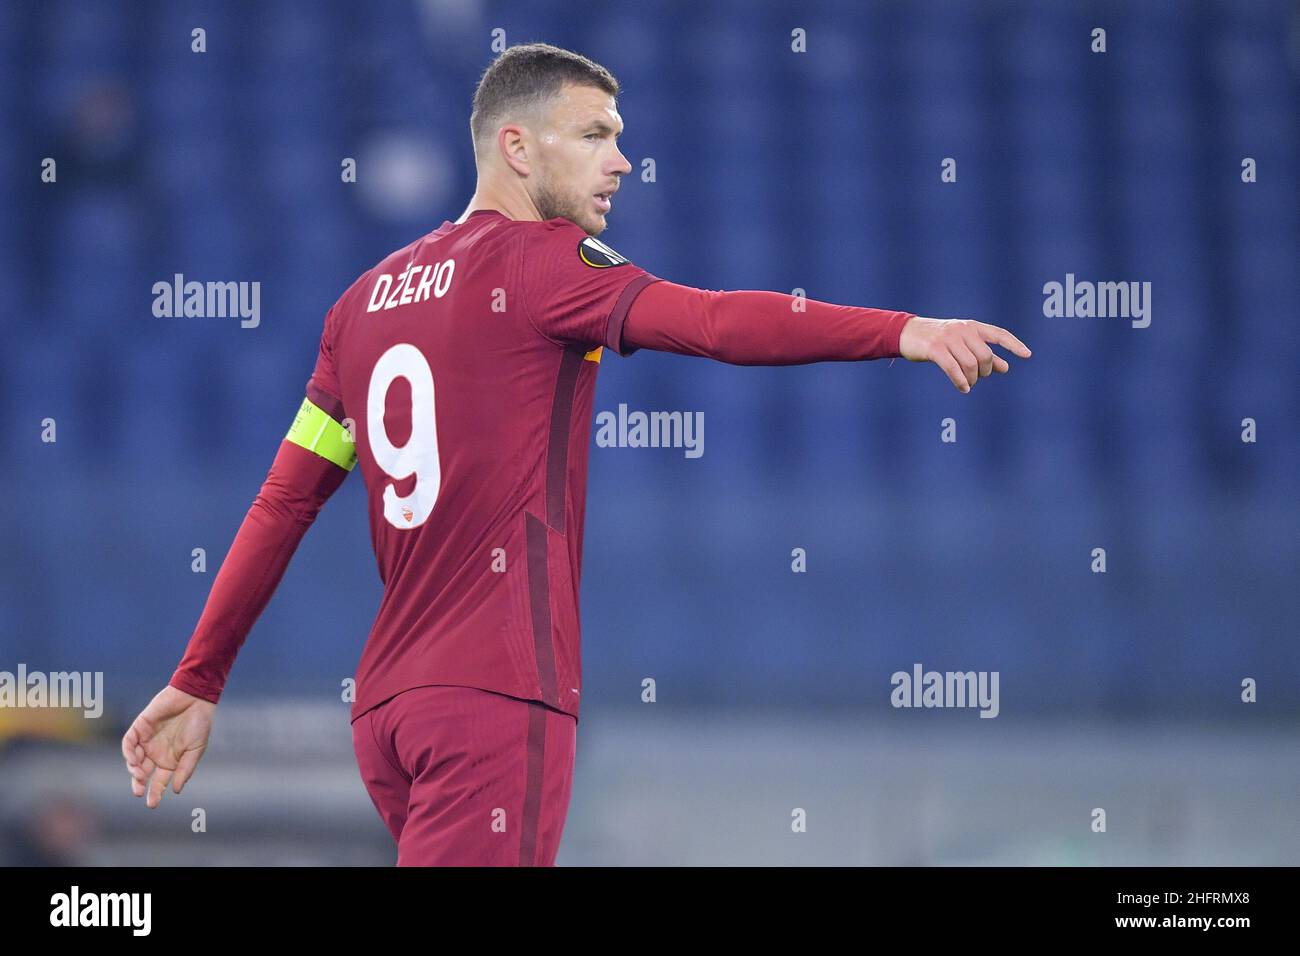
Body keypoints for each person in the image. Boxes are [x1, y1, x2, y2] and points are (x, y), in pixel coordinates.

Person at [121, 42, 1031, 866]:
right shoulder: (547, 262)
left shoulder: (361, 304)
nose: (623, 159)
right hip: (492, 695)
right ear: (518, 148)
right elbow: (713, 321)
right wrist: (904, 329)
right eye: (594, 134)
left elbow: (283, 503)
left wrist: (200, 677)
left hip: (390, 710)